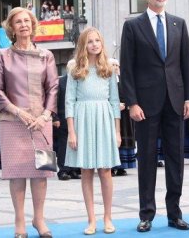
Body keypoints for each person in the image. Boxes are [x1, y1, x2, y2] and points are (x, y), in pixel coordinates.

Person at [120, 0, 189, 232]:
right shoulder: (132, 26)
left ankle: (174, 214)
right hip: (145, 105)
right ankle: (146, 215)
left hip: (175, 102)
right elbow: (127, 69)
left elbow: (186, 64)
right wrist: (131, 102)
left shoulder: (178, 24)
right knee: (148, 160)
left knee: (176, 159)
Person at [0, 7, 58, 238]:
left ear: (33, 25)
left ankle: (39, 219)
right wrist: (19, 113)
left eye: (27, 21)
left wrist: (45, 115)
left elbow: (53, 88)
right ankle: (19, 221)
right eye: (18, 22)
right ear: (11, 27)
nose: (23, 25)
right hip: (12, 121)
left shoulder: (46, 55)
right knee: (17, 173)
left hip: (42, 123)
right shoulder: (2, 55)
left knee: (42, 173)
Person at [65, 27, 121, 235]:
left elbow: (115, 102)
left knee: (105, 170)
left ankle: (108, 217)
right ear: (83, 45)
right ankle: (91, 220)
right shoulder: (75, 70)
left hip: (104, 119)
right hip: (82, 120)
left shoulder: (108, 69)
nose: (94, 44)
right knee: (86, 171)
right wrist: (71, 131)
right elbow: (69, 101)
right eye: (90, 41)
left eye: (97, 40)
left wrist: (117, 131)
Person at [109, 58, 137, 176]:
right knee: (112, 140)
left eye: (117, 65)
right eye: (113, 65)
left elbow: (130, 94)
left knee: (125, 139)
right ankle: (111, 167)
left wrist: (126, 105)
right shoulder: (105, 80)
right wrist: (113, 105)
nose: (115, 67)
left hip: (125, 115)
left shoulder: (123, 80)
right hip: (111, 116)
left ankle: (122, 167)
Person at [55, 60, 81, 181]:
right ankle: (63, 170)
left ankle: (74, 169)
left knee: (76, 144)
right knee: (64, 145)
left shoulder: (80, 80)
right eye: (73, 67)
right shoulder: (61, 82)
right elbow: (55, 101)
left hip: (78, 117)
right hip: (63, 118)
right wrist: (54, 117)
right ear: (67, 68)